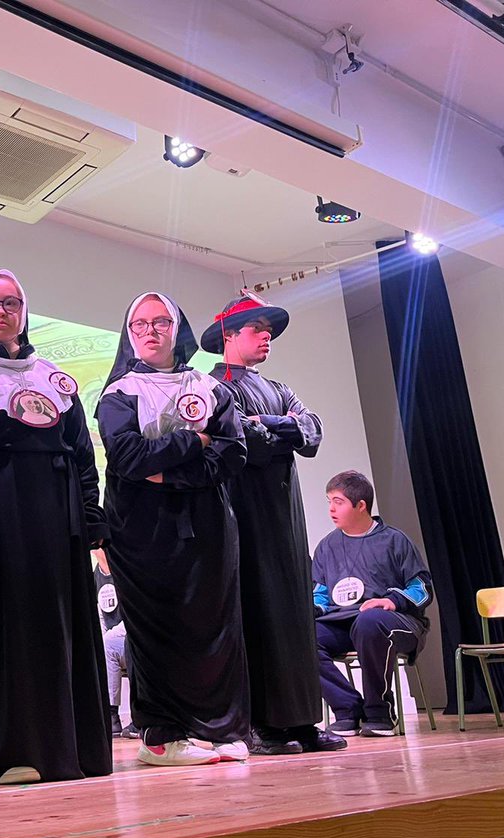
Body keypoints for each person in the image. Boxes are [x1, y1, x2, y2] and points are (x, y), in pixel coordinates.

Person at [0, 269, 111, 785]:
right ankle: (7, 753)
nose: (0, 312)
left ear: (24, 311)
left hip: (57, 514)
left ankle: (70, 749)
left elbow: (82, 454)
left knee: (61, 624)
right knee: (5, 626)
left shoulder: (56, 378)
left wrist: (91, 515)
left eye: (10, 303)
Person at [97, 291, 250, 766]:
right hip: (140, 532)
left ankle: (223, 730)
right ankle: (161, 737)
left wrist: (167, 472)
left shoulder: (210, 388)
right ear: (129, 333)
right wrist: (194, 440)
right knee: (154, 632)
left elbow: (232, 453)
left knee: (215, 625)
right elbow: (127, 458)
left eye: (160, 321)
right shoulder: (118, 394)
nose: (150, 331)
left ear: (176, 328)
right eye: (139, 323)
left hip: (207, 524)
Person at [203, 290, 345, 755]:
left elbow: (313, 431)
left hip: (287, 519)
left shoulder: (280, 388)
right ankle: (261, 725)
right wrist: (282, 426)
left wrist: (274, 423)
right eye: (256, 329)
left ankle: (302, 722)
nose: (267, 337)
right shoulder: (213, 387)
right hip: (245, 515)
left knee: (294, 615)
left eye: (269, 331)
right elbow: (247, 439)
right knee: (256, 611)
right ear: (229, 335)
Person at [313, 471, 433, 737]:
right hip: (344, 622)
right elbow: (320, 595)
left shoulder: (395, 540)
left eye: (338, 502)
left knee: (369, 621)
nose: (331, 509)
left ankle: (380, 711)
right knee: (302, 637)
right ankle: (348, 709)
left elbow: (422, 589)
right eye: (329, 502)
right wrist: (310, 610)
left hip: (395, 622)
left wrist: (392, 600)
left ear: (361, 505)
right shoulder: (326, 547)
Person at [92, 548, 138, 739]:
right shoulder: (96, 575)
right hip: (114, 642)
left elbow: (136, 610)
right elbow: (100, 616)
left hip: (132, 633)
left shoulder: (124, 568)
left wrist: (108, 637)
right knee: (101, 646)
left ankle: (138, 715)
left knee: (109, 643)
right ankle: (110, 715)